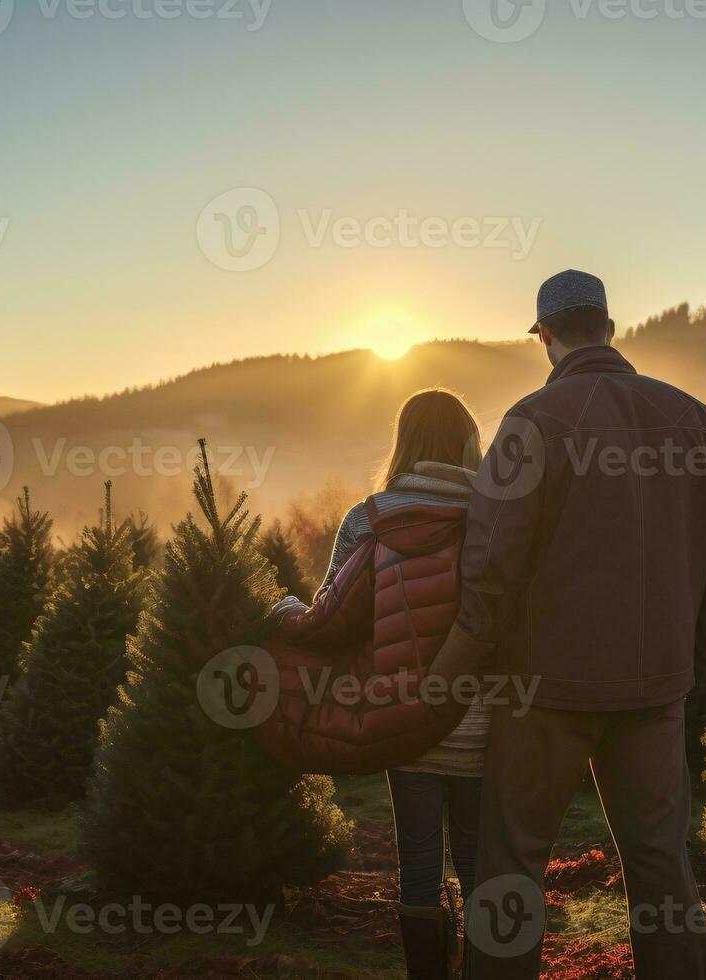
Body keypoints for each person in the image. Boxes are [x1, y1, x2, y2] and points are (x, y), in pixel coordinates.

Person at [430, 270, 706, 978]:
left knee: (512, 866)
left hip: (542, 692)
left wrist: (450, 675)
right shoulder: (693, 418)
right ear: (609, 326)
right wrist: (686, 662)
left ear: (544, 336)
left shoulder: (532, 422)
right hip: (654, 690)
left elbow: (490, 567)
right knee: (662, 870)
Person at [271, 389, 489, 979]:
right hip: (484, 722)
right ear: (467, 443)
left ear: (406, 444)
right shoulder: (496, 518)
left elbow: (331, 614)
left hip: (403, 721)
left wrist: (283, 609)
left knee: (418, 857)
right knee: (476, 860)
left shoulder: (370, 517)